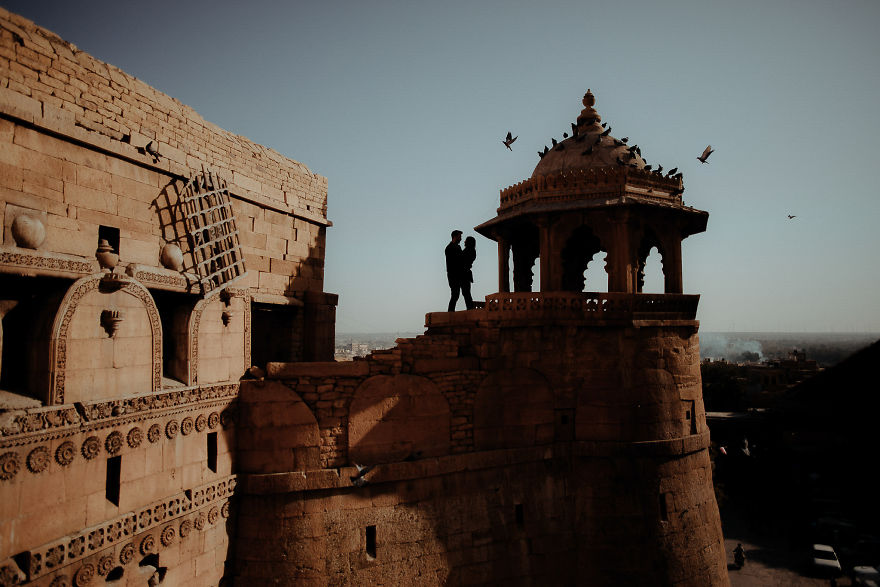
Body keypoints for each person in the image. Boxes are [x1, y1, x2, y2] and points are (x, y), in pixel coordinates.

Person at [445, 230, 464, 311]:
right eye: (460, 236)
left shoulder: (456, 247)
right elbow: (455, 261)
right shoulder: (449, 248)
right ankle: (450, 312)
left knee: (456, 294)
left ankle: (451, 311)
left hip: (457, 274)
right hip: (453, 275)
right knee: (455, 294)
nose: (461, 239)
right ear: (455, 236)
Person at [461, 236, 476, 310]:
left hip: (465, 273)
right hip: (466, 273)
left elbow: (465, 261)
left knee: (466, 292)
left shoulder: (469, 251)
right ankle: (469, 307)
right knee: (466, 292)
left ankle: (470, 308)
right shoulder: (471, 250)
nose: (464, 242)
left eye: (466, 240)